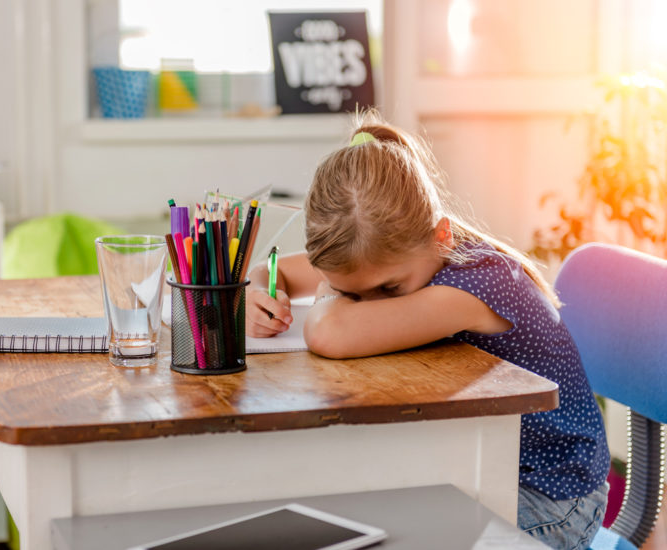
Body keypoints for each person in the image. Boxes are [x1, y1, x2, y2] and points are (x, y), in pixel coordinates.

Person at [245, 110, 610, 549]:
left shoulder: (474, 287)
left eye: (389, 288)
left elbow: (329, 333)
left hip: (552, 499)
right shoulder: (389, 253)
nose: (372, 304)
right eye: (353, 292)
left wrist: (330, 292)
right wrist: (259, 293)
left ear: (442, 236)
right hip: (473, 465)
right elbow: (270, 273)